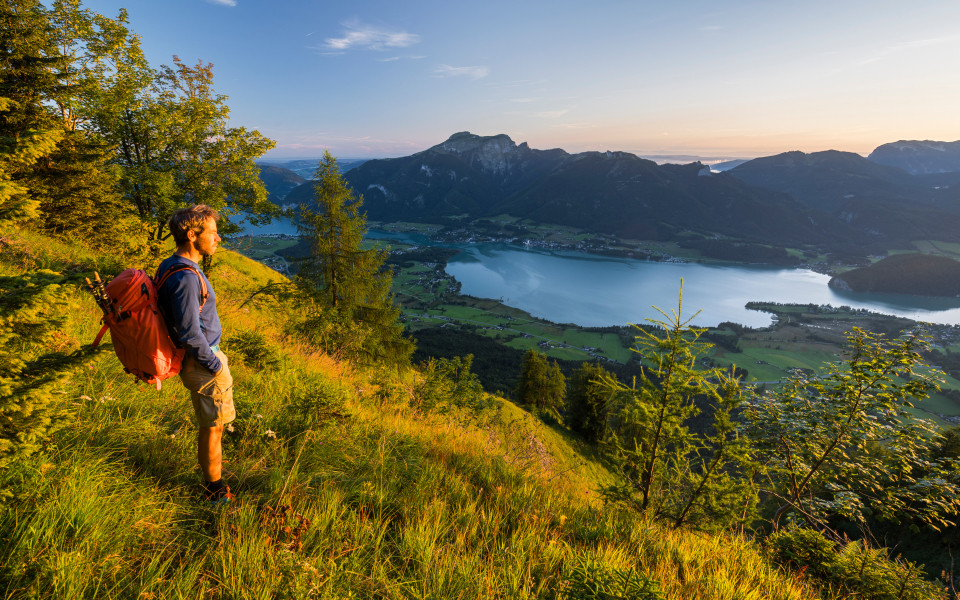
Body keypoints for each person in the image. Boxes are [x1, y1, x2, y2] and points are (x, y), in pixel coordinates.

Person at [156, 204, 236, 504]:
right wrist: (214, 364)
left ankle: (213, 484)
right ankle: (215, 492)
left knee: (212, 424)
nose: (218, 239)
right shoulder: (187, 278)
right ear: (192, 235)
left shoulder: (172, 264)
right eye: (213, 234)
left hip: (199, 359)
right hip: (203, 362)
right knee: (213, 427)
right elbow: (190, 332)